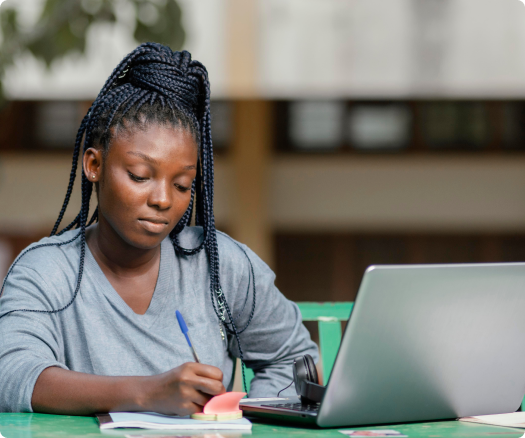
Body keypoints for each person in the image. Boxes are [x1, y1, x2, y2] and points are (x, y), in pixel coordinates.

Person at [0, 43, 318, 414]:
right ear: (93, 164)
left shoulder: (220, 265)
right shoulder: (46, 271)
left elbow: (293, 358)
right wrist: (148, 394)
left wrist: (248, 416)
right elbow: (11, 375)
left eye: (182, 185)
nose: (163, 199)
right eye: (140, 176)